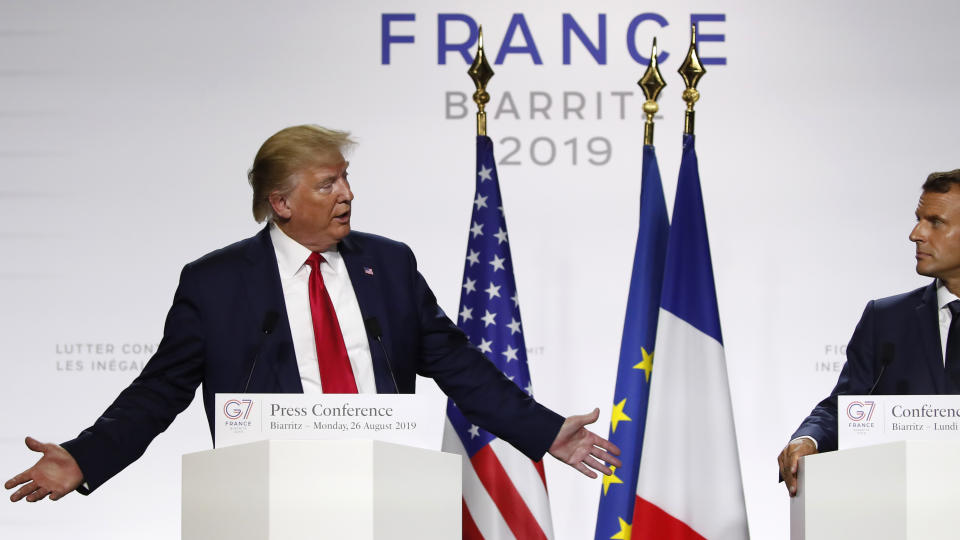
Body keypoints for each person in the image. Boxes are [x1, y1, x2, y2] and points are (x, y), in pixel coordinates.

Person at [6, 125, 621, 503]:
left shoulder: (391, 265)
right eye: (327, 184)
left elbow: (457, 363)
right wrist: (87, 455)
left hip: (390, 487)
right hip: (271, 495)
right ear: (280, 202)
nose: (347, 194)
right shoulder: (216, 284)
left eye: (346, 180)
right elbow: (160, 389)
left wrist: (544, 431)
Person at [778, 168, 960, 496]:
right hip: (908, 505)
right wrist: (808, 439)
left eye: (934, 222)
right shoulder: (886, 319)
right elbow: (846, 406)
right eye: (918, 219)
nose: (916, 233)